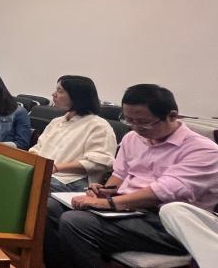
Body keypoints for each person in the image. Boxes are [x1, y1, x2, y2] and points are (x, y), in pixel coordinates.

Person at [44, 84, 218, 268]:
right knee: (49, 207)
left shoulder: (203, 150)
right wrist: (105, 191)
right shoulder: (133, 138)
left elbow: (162, 192)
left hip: (169, 225)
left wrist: (108, 203)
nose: (136, 128)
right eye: (129, 121)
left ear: (172, 116)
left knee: (76, 222)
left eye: (143, 122)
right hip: (129, 210)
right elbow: (119, 175)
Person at [29, 75, 116, 192]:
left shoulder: (99, 126)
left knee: (28, 185)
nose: (54, 94)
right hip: (45, 173)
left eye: (60, 91)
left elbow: (99, 163)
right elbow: (38, 147)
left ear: (77, 96)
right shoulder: (56, 122)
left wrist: (56, 168)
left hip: (72, 180)